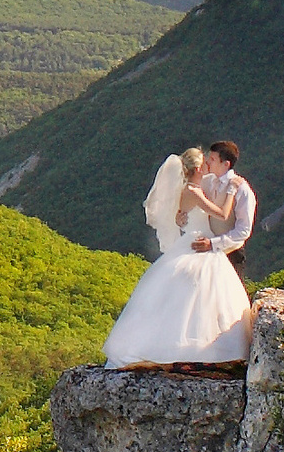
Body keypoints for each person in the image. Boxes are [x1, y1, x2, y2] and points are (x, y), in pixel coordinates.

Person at [100, 145, 251, 369]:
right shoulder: (194, 191)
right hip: (201, 245)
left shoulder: (197, 186)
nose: (209, 164)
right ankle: (201, 351)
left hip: (199, 244)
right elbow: (221, 214)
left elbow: (190, 215)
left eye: (213, 159)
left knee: (194, 299)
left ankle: (195, 349)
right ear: (199, 168)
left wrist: (184, 216)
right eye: (206, 161)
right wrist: (230, 191)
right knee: (200, 298)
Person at [189, 140, 256, 274]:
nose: (207, 161)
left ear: (225, 164)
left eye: (212, 159)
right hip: (204, 253)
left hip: (231, 254)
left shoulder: (242, 189)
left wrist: (213, 244)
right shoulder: (206, 181)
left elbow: (243, 230)